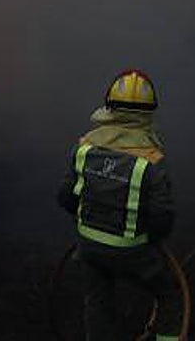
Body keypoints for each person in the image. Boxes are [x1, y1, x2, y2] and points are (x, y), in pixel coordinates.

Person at [58, 70, 182, 340]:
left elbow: (66, 198)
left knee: (97, 302)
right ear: (148, 113)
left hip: (89, 246)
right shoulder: (152, 160)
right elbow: (162, 217)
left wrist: (94, 219)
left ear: (109, 107)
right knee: (171, 295)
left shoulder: (84, 149)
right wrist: (149, 239)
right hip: (132, 251)